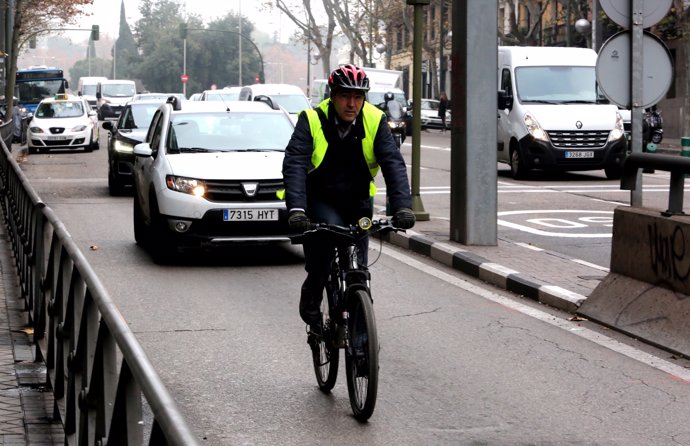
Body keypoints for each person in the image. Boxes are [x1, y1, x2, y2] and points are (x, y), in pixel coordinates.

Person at [282, 64, 416, 334]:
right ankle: (312, 294)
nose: (352, 103)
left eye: (358, 97)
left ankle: (359, 338)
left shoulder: (375, 120)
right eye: (345, 96)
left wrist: (402, 207)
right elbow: (294, 164)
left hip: (357, 202)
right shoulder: (312, 120)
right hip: (320, 200)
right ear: (332, 95)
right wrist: (297, 210)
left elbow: (393, 164)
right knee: (322, 258)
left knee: (359, 271)